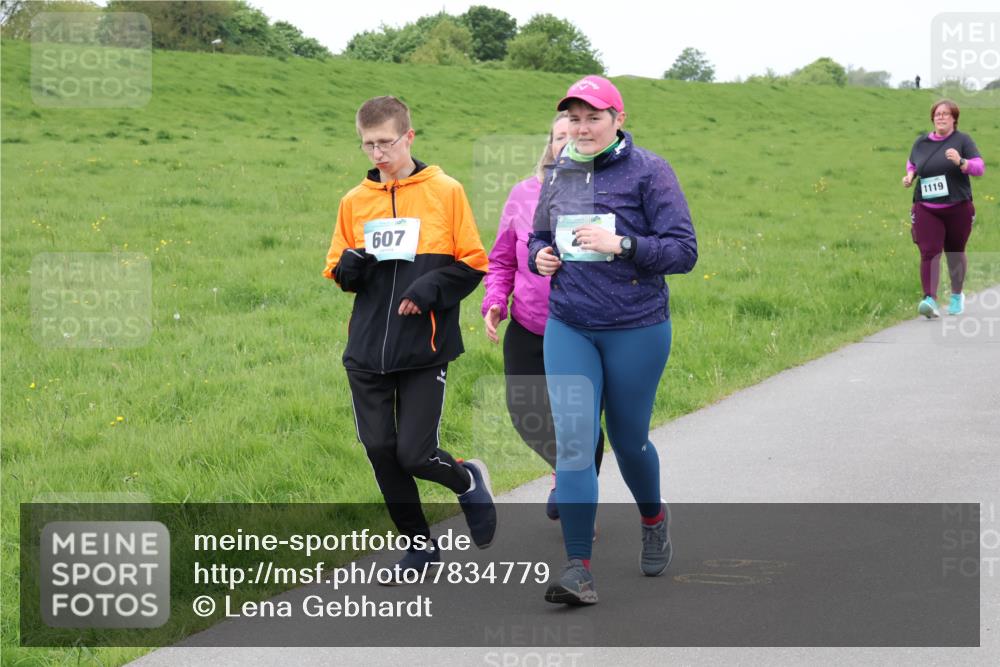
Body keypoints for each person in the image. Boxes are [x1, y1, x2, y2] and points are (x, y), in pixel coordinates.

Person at [528, 76, 698, 605]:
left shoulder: (650, 171)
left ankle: (653, 516)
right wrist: (541, 256)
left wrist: (621, 243)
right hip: (570, 323)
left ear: (618, 119)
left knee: (628, 440)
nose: (582, 128)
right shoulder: (560, 172)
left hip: (636, 327)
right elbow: (538, 233)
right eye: (574, 119)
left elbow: (683, 251)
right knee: (576, 444)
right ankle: (578, 568)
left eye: (593, 118)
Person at [323, 96, 496, 582]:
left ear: (409, 137)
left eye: (386, 143)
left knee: (414, 454)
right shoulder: (354, 201)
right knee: (380, 450)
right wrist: (349, 268)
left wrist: (429, 288)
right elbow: (337, 268)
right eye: (368, 145)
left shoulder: (446, 191)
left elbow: (472, 263)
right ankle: (419, 547)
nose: (378, 154)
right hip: (366, 350)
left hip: (423, 347)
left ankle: (467, 479)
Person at [481, 113, 605, 522]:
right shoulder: (522, 194)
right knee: (526, 414)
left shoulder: (605, 193)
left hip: (583, 327)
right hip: (530, 325)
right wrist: (496, 301)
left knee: (580, 418)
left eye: (575, 136)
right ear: (549, 146)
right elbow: (500, 258)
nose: (567, 143)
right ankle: (567, 471)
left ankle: (573, 488)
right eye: (558, 138)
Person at [903, 99, 985, 318]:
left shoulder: (963, 140)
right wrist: (910, 176)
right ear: (933, 118)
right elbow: (913, 163)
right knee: (929, 251)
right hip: (927, 207)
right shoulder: (921, 143)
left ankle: (957, 296)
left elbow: (979, 168)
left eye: (946, 114)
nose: (941, 117)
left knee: (955, 252)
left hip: (957, 206)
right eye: (937, 114)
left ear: (954, 119)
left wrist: (961, 161)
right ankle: (929, 299)